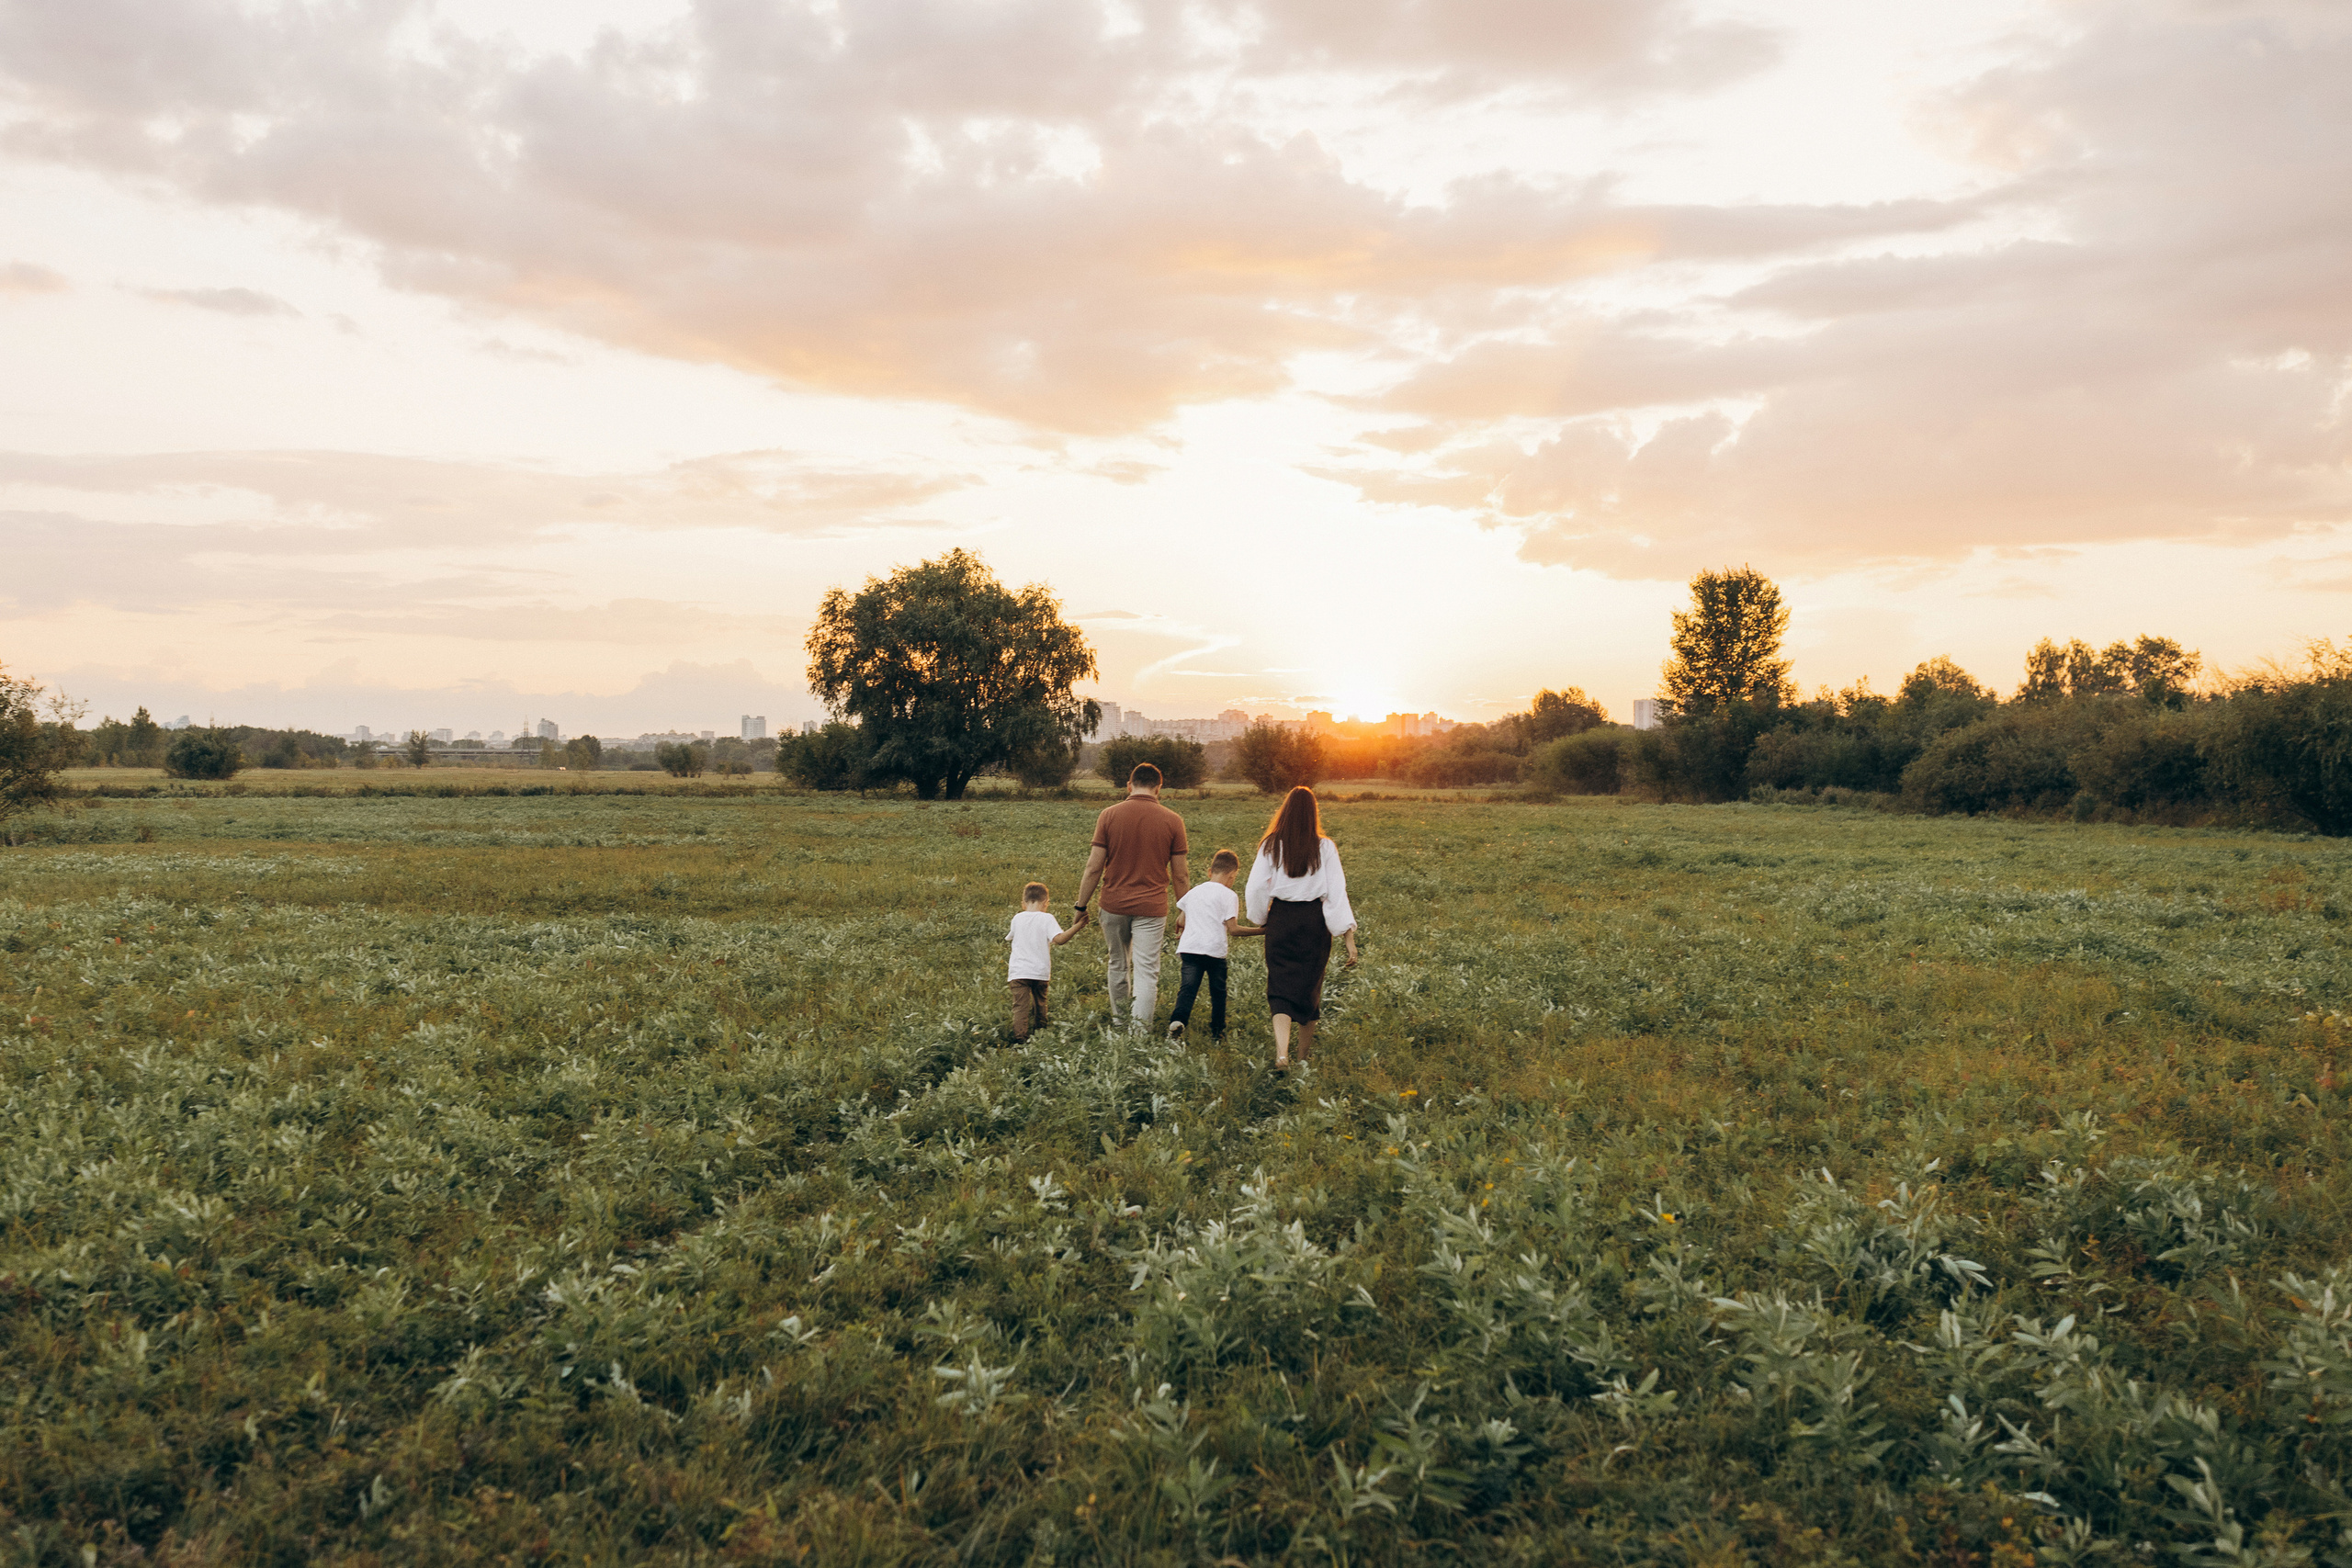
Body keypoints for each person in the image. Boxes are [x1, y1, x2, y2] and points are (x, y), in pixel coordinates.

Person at [1244, 785, 1358, 1073]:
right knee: (1310, 987)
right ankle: (1302, 1057)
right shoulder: (1325, 847)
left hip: (1282, 918)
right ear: (1313, 814)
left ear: (1285, 810)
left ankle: (1281, 1055)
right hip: (1314, 921)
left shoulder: (1271, 845)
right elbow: (1336, 892)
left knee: (1280, 986)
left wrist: (1261, 918)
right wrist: (1347, 935)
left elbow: (1256, 886)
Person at [1073, 762, 1190, 1028]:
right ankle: (1140, 1031)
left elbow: (1093, 867)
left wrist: (1081, 906)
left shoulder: (1108, 815)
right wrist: (1185, 910)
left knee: (1117, 964)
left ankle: (1120, 1022)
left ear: (1129, 785)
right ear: (1159, 788)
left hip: (1113, 905)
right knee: (1147, 971)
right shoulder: (1173, 820)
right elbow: (1181, 875)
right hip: (1152, 907)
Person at [1167, 848, 1264, 1043]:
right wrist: (1262, 931)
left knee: (1187, 989)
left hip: (1190, 948)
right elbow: (1234, 929)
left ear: (1210, 871)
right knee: (1218, 993)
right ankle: (1217, 1033)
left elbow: (1182, 918)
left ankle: (1177, 1022)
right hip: (1213, 951)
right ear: (1232, 875)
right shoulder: (1229, 896)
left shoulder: (1195, 891)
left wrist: (1183, 925)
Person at [1006, 880, 1087, 1043]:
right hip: (1040, 971)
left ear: (1023, 903)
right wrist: (1078, 926)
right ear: (1046, 903)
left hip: (1019, 971)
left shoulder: (1017, 918)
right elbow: (1060, 939)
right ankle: (1041, 1034)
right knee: (1040, 1003)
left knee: (1020, 1006)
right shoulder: (1047, 918)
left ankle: (1020, 1039)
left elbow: (1010, 937)